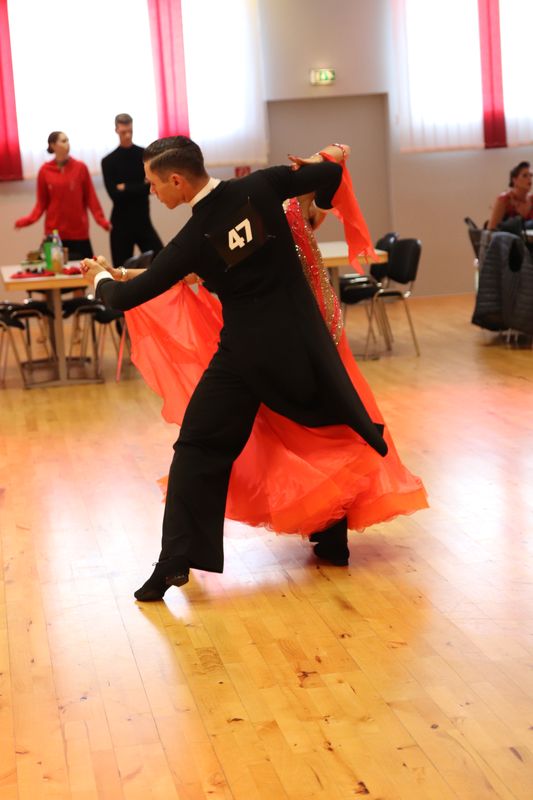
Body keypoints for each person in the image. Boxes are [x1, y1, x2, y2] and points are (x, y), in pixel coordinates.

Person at [82, 136, 390, 602]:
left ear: (177, 181)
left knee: (198, 450)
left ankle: (174, 562)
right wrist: (317, 180)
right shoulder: (262, 186)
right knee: (321, 434)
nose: (151, 192)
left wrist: (101, 278)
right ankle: (332, 540)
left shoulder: (194, 237)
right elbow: (330, 172)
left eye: (153, 183)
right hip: (303, 349)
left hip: (243, 358)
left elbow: (123, 299)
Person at [15, 131, 110, 260]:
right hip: (54, 234)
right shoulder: (44, 170)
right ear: (53, 145)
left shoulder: (80, 167)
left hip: (79, 233)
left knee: (86, 270)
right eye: (63, 141)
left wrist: (102, 221)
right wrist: (26, 221)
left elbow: (91, 198)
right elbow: (41, 204)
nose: (67, 144)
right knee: (53, 271)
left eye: (68, 140)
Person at [101, 113, 163, 266]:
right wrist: (140, 185)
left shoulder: (144, 155)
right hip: (121, 223)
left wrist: (126, 187)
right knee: (120, 270)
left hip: (143, 220)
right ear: (116, 130)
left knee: (161, 261)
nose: (128, 135)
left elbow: (151, 187)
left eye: (130, 131)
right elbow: (115, 195)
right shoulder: (108, 161)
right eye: (124, 132)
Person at [488, 161, 533, 230]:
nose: (529, 178)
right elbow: (491, 228)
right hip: (509, 236)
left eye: (531, 175)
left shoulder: (531, 199)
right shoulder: (504, 199)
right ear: (514, 180)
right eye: (525, 176)